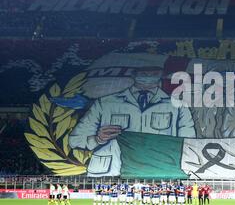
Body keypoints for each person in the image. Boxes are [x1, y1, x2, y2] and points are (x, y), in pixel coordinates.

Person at [68, 66, 196, 177]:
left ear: (161, 75)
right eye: (144, 73)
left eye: (154, 73)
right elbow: (75, 140)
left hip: (157, 169)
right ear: (133, 74)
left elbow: (189, 143)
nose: (149, 76)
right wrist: (98, 139)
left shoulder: (177, 106)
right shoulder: (105, 103)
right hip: (112, 170)